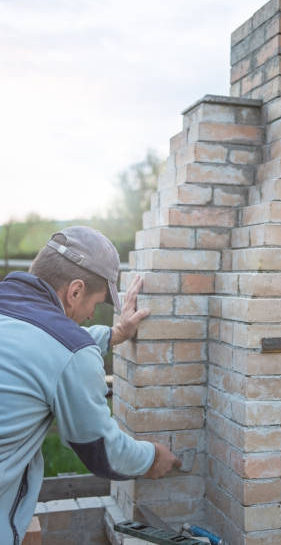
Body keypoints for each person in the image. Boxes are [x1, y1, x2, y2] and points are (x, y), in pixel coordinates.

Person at [0, 226, 180, 545]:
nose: (90, 315)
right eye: (94, 304)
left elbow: (47, 347)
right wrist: (153, 457)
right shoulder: (69, 350)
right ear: (75, 291)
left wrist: (113, 334)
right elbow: (103, 451)